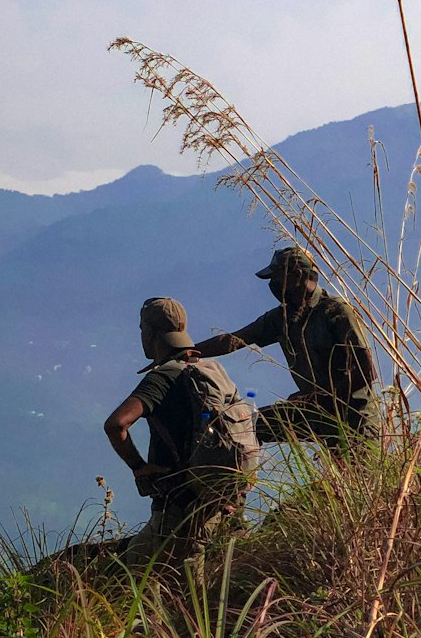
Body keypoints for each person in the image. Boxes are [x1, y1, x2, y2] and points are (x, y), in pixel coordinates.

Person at [104, 297, 256, 576]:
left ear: (149, 333)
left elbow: (116, 425)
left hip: (178, 515)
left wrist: (139, 467)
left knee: (127, 576)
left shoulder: (163, 377)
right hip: (223, 507)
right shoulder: (213, 372)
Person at [193, 246, 379, 451]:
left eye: (277, 278)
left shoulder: (336, 311)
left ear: (297, 275)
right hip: (316, 412)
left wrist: (319, 396)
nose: (273, 285)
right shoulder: (282, 319)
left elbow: (366, 371)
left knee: (358, 474)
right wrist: (187, 352)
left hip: (355, 421)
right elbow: (235, 339)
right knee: (246, 425)